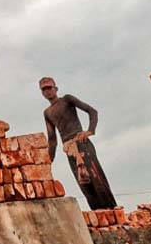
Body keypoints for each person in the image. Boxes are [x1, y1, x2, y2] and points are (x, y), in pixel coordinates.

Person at [40, 77, 118, 210]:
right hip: (69, 150)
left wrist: (90, 131)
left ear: (56, 88)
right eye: (44, 89)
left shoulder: (67, 99)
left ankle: (113, 212)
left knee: (97, 179)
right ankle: (99, 215)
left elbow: (92, 111)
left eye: (49, 87)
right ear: (41, 93)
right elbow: (52, 140)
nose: (47, 91)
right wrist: (48, 161)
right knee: (84, 184)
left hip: (82, 143)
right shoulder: (47, 113)